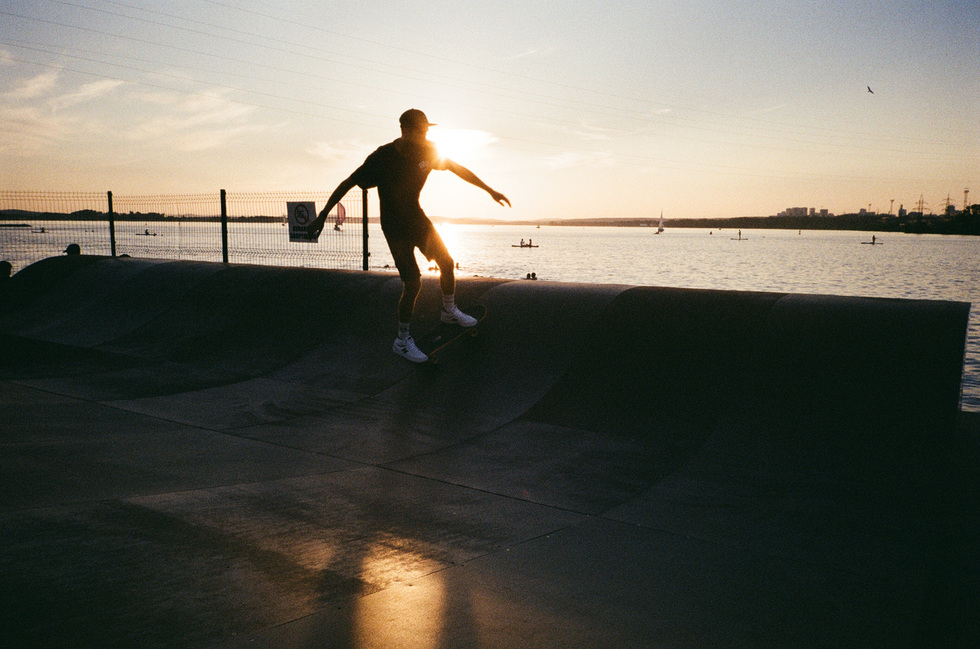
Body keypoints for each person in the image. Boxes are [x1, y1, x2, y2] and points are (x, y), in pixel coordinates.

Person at [309, 109, 510, 363]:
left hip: (416, 218)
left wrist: (489, 190)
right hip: (394, 226)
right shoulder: (383, 156)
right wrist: (323, 215)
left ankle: (448, 311)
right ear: (406, 130)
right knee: (413, 282)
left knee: (447, 263)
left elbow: (457, 168)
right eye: (422, 131)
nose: (426, 135)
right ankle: (402, 340)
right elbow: (348, 182)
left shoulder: (429, 150)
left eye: (427, 131)